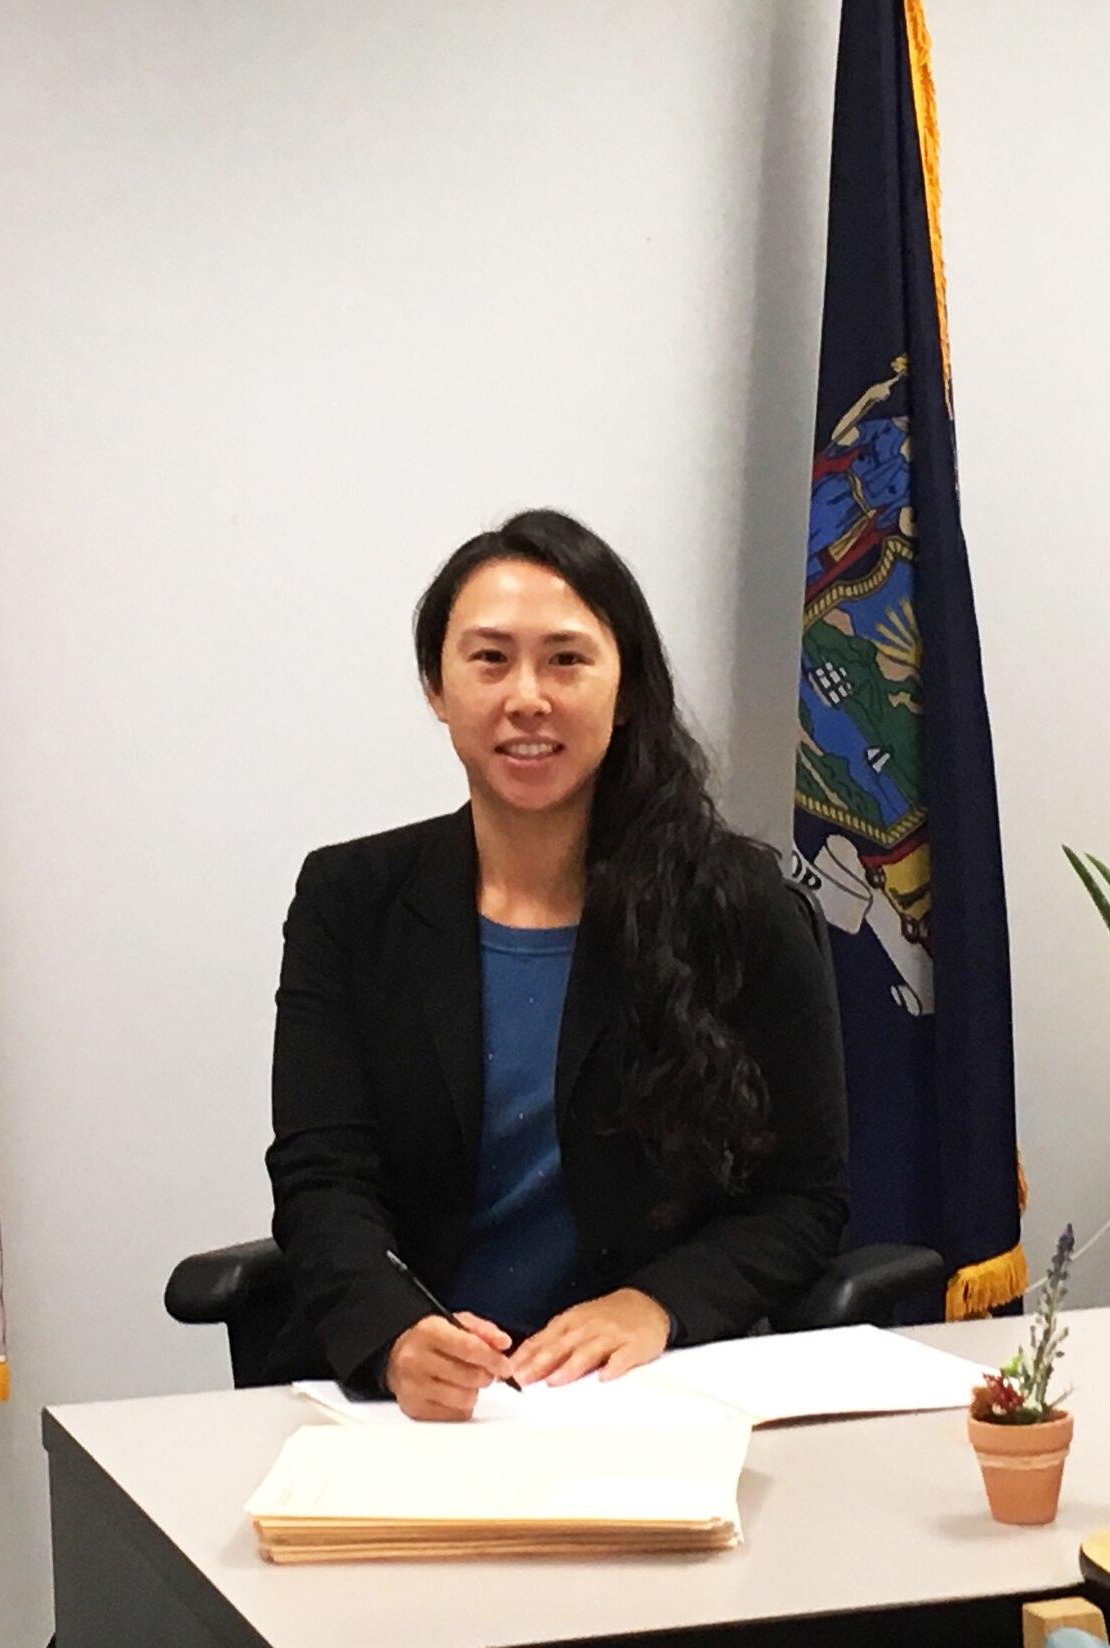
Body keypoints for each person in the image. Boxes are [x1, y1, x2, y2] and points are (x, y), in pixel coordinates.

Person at [266, 509, 849, 1421]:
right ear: (436, 686)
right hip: (422, 1412)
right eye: (489, 659)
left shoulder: (738, 906)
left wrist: (655, 1305)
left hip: (645, 1397)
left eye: (567, 659)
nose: (527, 697)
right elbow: (322, 1177)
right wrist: (393, 1335)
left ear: (625, 688)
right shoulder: (350, 900)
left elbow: (803, 1200)